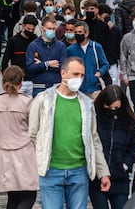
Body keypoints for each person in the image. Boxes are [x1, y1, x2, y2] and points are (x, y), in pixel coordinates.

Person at [29, 57, 111, 209]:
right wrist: (41, 158)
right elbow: (32, 134)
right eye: (75, 74)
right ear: (63, 73)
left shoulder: (87, 104)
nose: (79, 79)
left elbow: (94, 140)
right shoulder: (43, 100)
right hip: (50, 171)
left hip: (78, 171)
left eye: (82, 75)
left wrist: (103, 172)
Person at [90, 85, 135, 209]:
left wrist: (125, 164)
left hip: (120, 177)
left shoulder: (129, 122)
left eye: (116, 107)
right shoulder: (95, 119)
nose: (113, 110)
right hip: (97, 178)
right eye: (109, 107)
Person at [0, 66, 38, 209]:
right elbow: (34, 128)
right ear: (21, 82)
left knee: (12, 196)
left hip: (3, 153)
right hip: (24, 152)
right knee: (29, 194)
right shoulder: (27, 101)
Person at [25, 16, 67, 96]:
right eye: (49, 28)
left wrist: (42, 65)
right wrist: (47, 64)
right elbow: (30, 68)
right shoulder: (33, 46)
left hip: (56, 86)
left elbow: (63, 68)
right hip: (39, 87)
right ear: (42, 28)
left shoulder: (61, 46)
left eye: (54, 29)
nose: (52, 31)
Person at [67, 21, 110, 99]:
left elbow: (105, 64)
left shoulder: (96, 47)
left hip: (95, 88)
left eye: (80, 32)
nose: (77, 34)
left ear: (86, 33)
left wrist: (100, 72)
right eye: (75, 32)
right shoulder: (70, 50)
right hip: (78, 89)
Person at [2, 15, 38, 96]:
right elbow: (5, 60)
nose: (30, 31)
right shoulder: (13, 41)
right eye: (28, 29)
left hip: (33, 80)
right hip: (16, 81)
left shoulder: (36, 41)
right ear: (23, 26)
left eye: (32, 30)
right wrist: (6, 79)